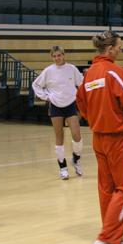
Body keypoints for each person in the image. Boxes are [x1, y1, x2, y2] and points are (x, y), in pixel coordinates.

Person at [76, 31, 123, 244]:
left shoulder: (89, 74)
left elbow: (81, 104)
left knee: (107, 189)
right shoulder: (115, 72)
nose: (121, 49)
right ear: (110, 48)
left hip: (99, 138)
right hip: (119, 138)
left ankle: (114, 235)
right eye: (119, 46)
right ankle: (107, 239)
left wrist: (96, 119)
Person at [32, 46, 84, 180]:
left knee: (77, 135)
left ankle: (76, 159)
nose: (57, 58)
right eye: (54, 56)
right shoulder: (48, 71)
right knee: (59, 137)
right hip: (55, 106)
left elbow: (82, 83)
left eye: (59, 55)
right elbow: (36, 85)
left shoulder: (72, 69)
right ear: (52, 57)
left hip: (71, 105)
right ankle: (63, 168)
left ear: (63, 55)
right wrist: (46, 97)